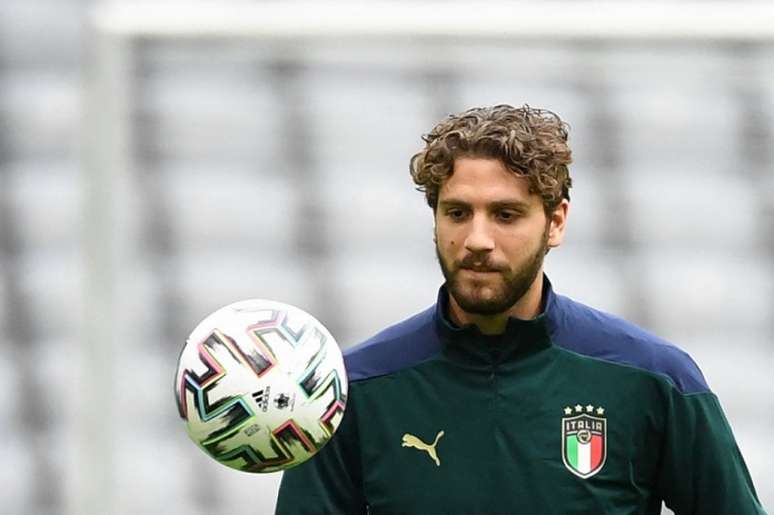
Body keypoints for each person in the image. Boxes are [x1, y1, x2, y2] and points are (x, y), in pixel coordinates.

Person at [275, 104, 766, 514]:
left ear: (555, 223)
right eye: (458, 213)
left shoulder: (654, 379)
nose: (477, 240)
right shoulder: (352, 390)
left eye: (506, 215)